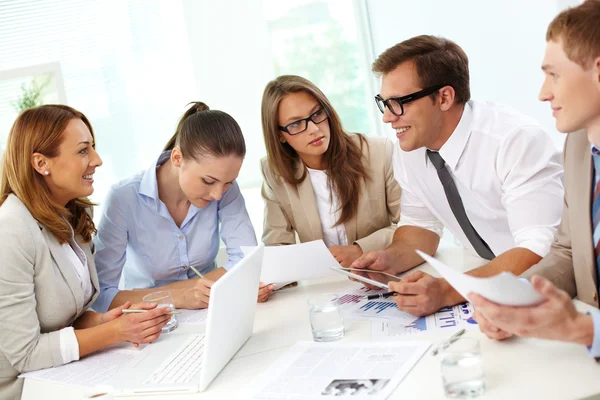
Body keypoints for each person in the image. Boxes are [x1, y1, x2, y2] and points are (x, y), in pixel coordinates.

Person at [351, 35, 565, 316]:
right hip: (486, 279)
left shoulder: (515, 140)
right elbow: (420, 228)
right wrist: (388, 260)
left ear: (444, 97)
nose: (388, 117)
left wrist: (449, 290)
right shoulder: (410, 149)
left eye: (398, 103)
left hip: (547, 286)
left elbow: (539, 251)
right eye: (384, 103)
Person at [0, 105, 172, 398]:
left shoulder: (70, 215)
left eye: (93, 148)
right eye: (83, 151)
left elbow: (67, 317)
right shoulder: (10, 231)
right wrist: (116, 332)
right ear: (42, 163)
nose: (97, 160)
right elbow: (25, 354)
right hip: (24, 385)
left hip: (65, 371)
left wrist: (109, 320)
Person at [471, 0, 600, 360]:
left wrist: (582, 330)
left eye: (553, 74)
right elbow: (568, 250)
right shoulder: (577, 144)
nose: (543, 93)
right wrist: (517, 297)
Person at [93, 102, 269, 313]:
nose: (218, 194)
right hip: (149, 321)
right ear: (177, 158)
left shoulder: (222, 186)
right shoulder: (123, 198)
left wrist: (201, 292)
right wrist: (180, 296)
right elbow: (102, 295)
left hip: (212, 312)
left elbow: (246, 260)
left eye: (228, 183)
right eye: (208, 181)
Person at [260, 75, 401, 269]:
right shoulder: (274, 172)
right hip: (326, 283)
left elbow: (413, 226)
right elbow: (277, 247)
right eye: (295, 124)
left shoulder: (378, 152)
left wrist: (361, 249)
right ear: (280, 136)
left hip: (383, 272)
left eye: (317, 114)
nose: (314, 129)